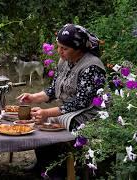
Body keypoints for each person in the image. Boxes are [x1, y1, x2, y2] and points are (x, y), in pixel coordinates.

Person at [16, 24, 106, 177]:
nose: (59, 52)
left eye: (64, 48)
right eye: (58, 47)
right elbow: (53, 89)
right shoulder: (64, 61)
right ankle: (44, 165)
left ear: (78, 48)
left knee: (49, 122)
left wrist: (47, 113)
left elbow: (82, 101)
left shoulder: (92, 66)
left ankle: (58, 171)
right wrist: (34, 97)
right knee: (40, 121)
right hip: (70, 110)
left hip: (90, 113)